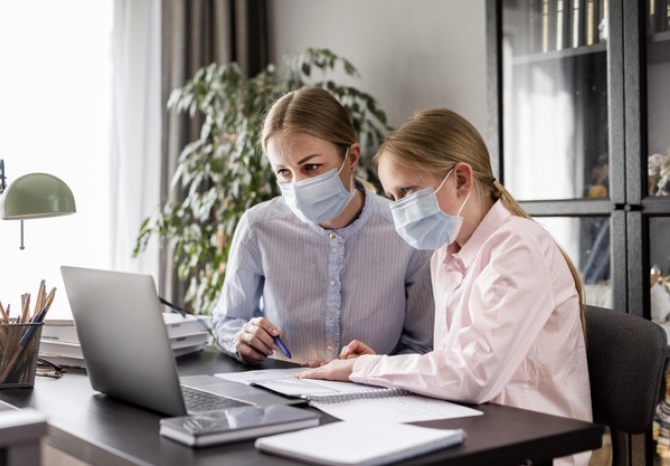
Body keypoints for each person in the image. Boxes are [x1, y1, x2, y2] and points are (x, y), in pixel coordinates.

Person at [297, 108, 592, 466]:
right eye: (393, 198)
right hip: (479, 433)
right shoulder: (445, 254)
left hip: (532, 450)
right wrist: (381, 366)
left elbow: (472, 376)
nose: (399, 211)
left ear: (462, 180)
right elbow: (454, 367)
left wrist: (366, 369)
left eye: (407, 191)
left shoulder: (518, 247)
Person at [212, 86, 434, 365]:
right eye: (283, 172)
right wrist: (241, 339)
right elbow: (226, 319)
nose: (298, 184)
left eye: (311, 167)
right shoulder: (258, 226)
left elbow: (424, 345)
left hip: (375, 398)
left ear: (351, 158)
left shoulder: (406, 230)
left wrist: (374, 369)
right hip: (282, 396)